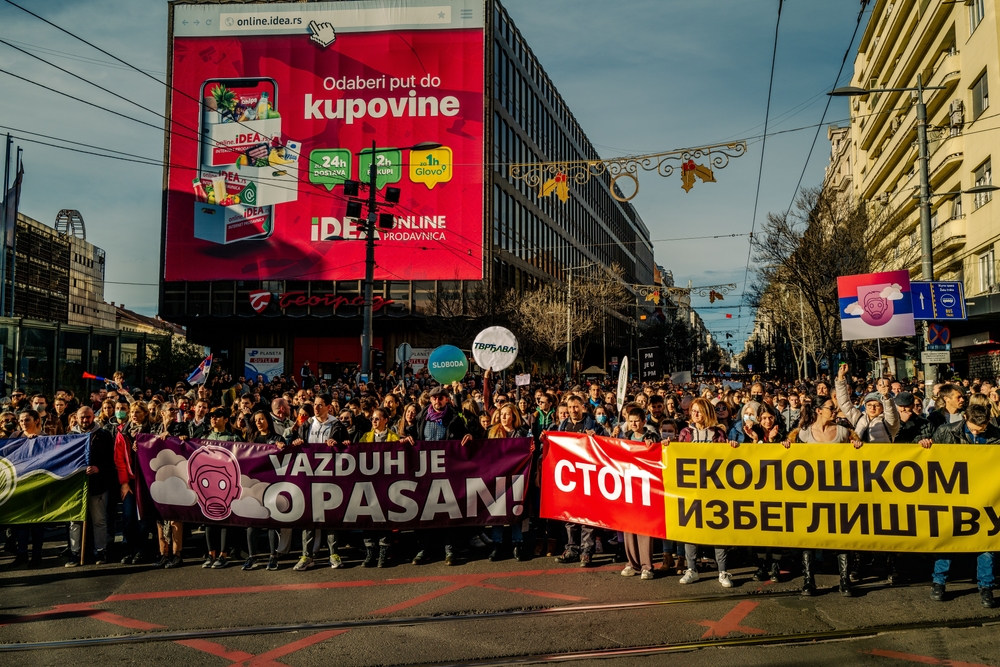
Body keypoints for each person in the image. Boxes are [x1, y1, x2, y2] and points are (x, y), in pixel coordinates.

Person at [788, 396, 862, 596]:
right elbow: (790, 459)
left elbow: (859, 457)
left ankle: (844, 580)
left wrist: (857, 447)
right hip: (811, 493)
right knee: (810, 537)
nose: (835, 411)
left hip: (839, 492)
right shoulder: (803, 434)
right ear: (819, 410)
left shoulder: (844, 432)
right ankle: (808, 580)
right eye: (831, 408)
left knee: (842, 535)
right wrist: (787, 447)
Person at [667, 398, 734, 588]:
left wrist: (733, 448)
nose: (695, 414)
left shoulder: (718, 433)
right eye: (693, 411)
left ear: (707, 413)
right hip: (692, 488)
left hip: (714, 488)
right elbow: (677, 455)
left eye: (699, 411)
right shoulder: (685, 432)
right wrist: (668, 445)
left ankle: (723, 571)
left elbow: (725, 457)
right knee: (691, 529)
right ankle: (692, 569)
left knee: (718, 529)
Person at [406, 385, 472, 566]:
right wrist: (406, 438)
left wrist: (468, 435)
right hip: (425, 473)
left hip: (448, 473)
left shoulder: (454, 418)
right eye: (435, 398)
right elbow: (409, 435)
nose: (437, 401)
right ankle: (424, 548)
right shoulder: (421, 418)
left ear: (447, 400)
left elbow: (467, 432)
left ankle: (450, 548)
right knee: (424, 511)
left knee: (448, 510)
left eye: (441, 398)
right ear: (430, 400)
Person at [288, 394, 348, 571]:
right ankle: (307, 555)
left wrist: (338, 443)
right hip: (308, 476)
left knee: (330, 515)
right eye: (315, 404)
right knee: (308, 516)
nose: (316, 408)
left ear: (329, 407)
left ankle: (333, 554)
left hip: (330, 477)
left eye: (320, 405)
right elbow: (298, 443)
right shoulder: (306, 424)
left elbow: (346, 446)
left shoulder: (336, 425)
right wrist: (297, 442)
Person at [554, 395, 607, 567]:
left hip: (587, 477)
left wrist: (596, 437)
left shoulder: (592, 425)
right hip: (569, 478)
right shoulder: (562, 426)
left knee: (587, 517)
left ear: (583, 407)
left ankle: (586, 552)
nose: (572, 410)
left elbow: (605, 444)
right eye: (570, 407)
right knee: (570, 517)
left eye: (576, 407)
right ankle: (572, 549)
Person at [66, 407, 116, 567]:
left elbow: (111, 459)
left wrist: (98, 468)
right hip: (76, 486)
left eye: (88, 417)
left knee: (99, 520)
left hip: (98, 485)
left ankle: (101, 550)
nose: (85, 420)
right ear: (77, 417)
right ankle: (75, 552)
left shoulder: (104, 435)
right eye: (82, 417)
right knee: (75, 521)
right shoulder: (70, 436)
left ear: (93, 417)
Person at [618, 408, 659, 580]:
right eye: (631, 420)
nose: (634, 424)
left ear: (643, 421)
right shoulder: (625, 437)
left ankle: (646, 566)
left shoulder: (651, 437)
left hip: (645, 487)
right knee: (628, 527)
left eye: (637, 421)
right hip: (627, 486)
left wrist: (653, 444)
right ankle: (632, 563)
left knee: (644, 528)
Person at [486, 404, 530, 562]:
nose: (503, 417)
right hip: (497, 478)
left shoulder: (522, 433)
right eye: (502, 414)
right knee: (497, 511)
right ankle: (497, 545)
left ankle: (517, 543)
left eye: (507, 414)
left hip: (516, 478)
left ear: (514, 417)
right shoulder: (491, 432)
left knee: (515, 511)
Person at [835, 365, 899, 443]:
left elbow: (891, 412)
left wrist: (886, 397)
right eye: (869, 405)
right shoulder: (858, 418)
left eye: (877, 405)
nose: (872, 408)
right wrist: (841, 377)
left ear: (882, 407)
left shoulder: (888, 422)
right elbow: (844, 402)